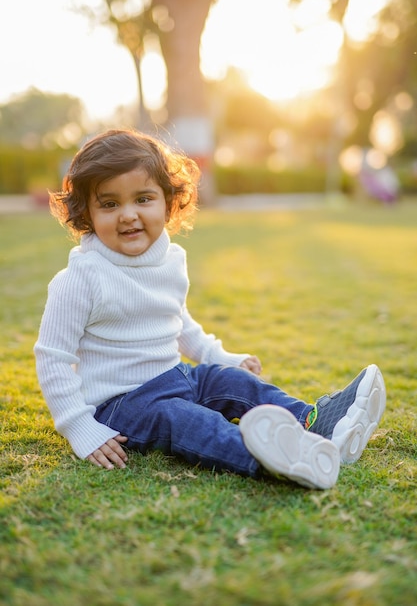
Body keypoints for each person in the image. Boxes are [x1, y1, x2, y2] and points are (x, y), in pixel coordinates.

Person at [34, 129, 386, 490]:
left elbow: (178, 321)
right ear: (86, 214)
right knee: (188, 421)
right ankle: (280, 460)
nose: (128, 215)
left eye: (143, 199)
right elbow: (53, 358)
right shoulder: (79, 279)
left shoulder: (169, 259)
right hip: (123, 404)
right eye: (109, 204)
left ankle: (316, 423)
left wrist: (221, 356)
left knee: (234, 382)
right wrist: (80, 426)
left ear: (168, 203)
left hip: (174, 376)